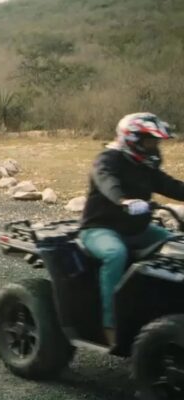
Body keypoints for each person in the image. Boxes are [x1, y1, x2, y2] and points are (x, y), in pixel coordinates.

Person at [79, 112, 184, 344]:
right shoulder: (108, 159)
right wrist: (123, 201)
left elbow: (170, 185)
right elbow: (106, 179)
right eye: (149, 141)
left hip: (138, 230)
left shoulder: (145, 166)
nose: (154, 146)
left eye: (155, 141)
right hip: (100, 229)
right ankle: (111, 323)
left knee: (177, 247)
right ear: (132, 139)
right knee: (115, 254)